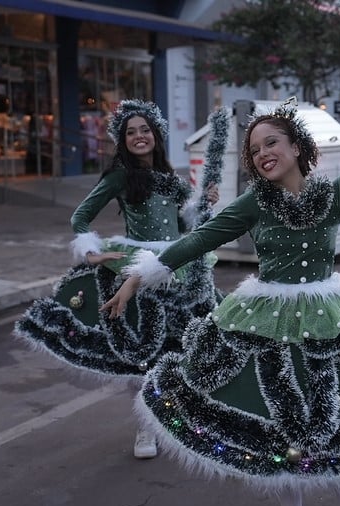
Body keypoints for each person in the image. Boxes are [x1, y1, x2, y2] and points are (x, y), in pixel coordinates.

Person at [100, 88, 340, 506]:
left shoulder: (334, 195)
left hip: (325, 324)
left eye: (271, 142)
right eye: (254, 150)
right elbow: (201, 238)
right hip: (264, 324)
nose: (262, 154)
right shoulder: (254, 204)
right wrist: (139, 276)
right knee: (279, 432)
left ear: (296, 147)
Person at [14, 99, 221, 459]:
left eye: (144, 130)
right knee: (141, 356)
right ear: (122, 140)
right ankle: (145, 428)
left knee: (177, 350)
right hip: (137, 271)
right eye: (130, 132)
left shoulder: (171, 178)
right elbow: (81, 217)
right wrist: (91, 251)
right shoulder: (120, 176)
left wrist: (206, 203)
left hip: (174, 269)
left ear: (156, 134)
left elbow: (186, 226)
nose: (139, 137)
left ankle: (169, 420)